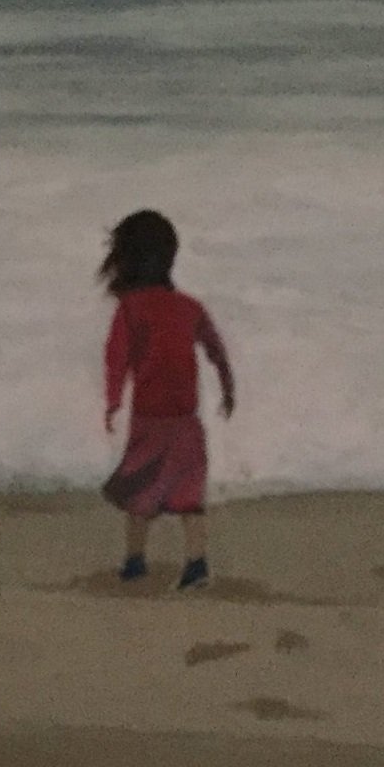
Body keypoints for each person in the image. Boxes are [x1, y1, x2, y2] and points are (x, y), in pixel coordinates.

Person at [99, 210, 235, 590]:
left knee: (139, 493)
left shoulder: (130, 308)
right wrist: (228, 388)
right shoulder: (189, 307)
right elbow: (216, 350)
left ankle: (134, 561)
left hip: (149, 418)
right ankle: (196, 564)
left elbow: (117, 359)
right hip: (185, 419)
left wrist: (112, 403)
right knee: (189, 496)